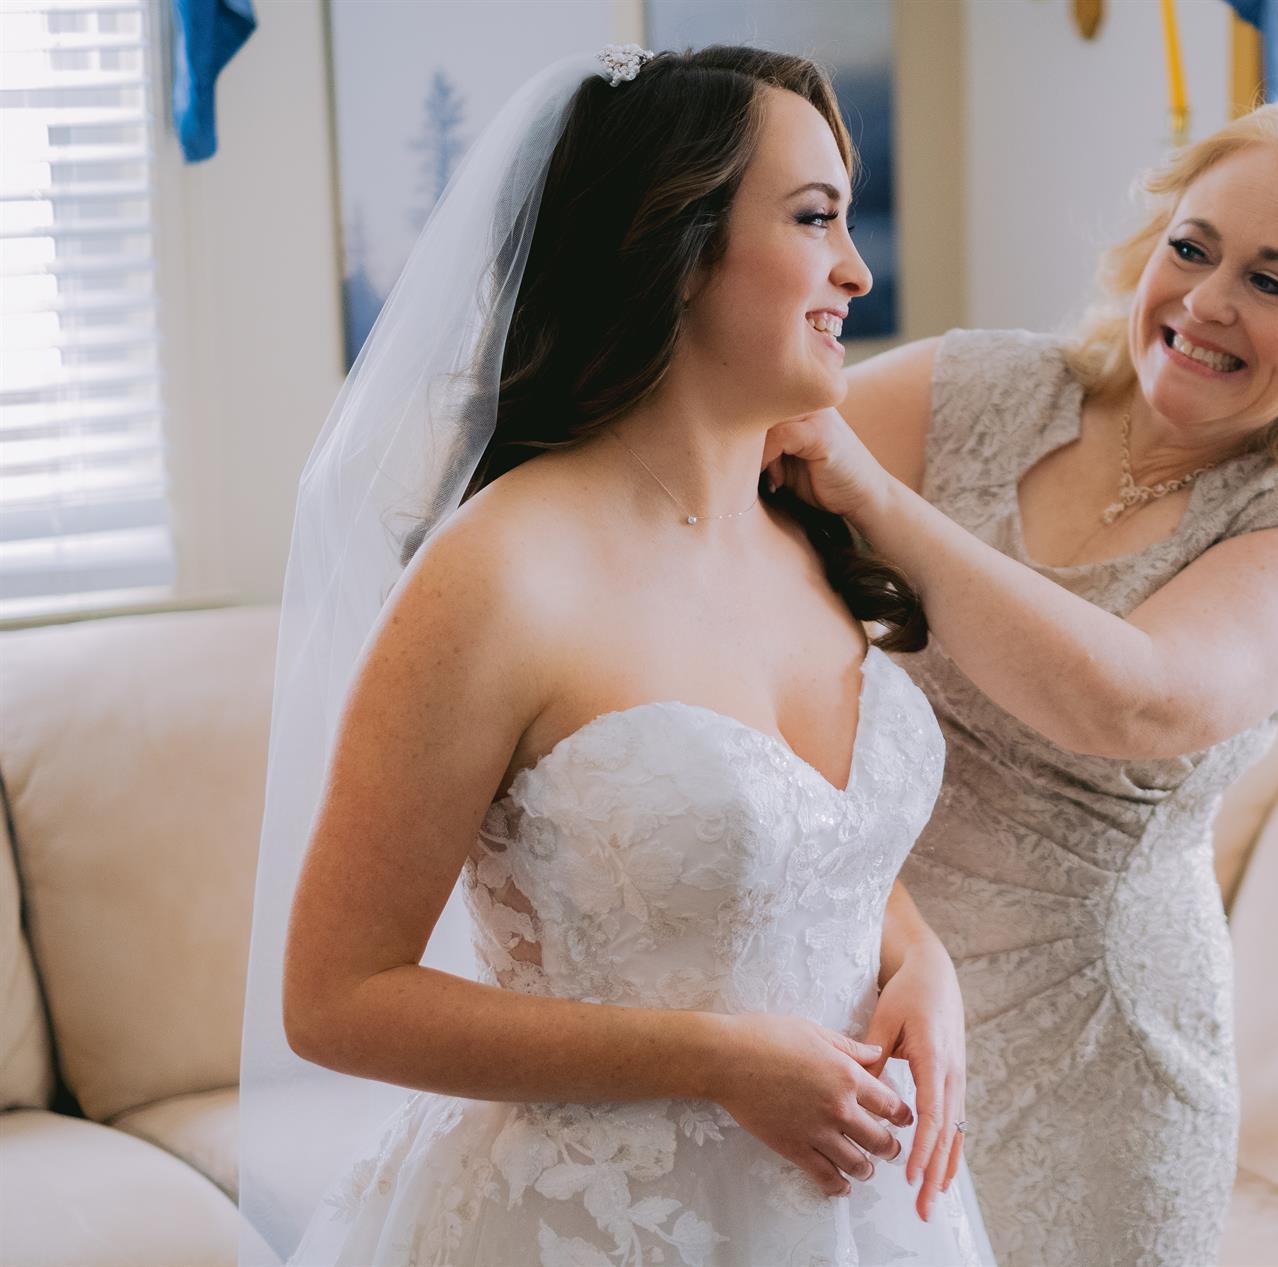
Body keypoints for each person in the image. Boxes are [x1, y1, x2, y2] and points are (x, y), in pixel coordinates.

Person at [240, 45, 992, 1267]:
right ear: (677, 248)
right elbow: (334, 999)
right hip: (587, 1224)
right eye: (814, 219)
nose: (856, 270)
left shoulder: (810, 527)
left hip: (864, 1215)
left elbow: (819, 850)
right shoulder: (498, 575)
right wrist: (715, 1057)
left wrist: (925, 964)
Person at [763, 97, 1278, 1266]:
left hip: (1091, 1053)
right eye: (1193, 247)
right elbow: (744, 471)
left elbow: (1128, 700)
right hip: (859, 978)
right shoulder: (985, 386)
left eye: (1273, 282)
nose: (1208, 302)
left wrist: (876, 498)